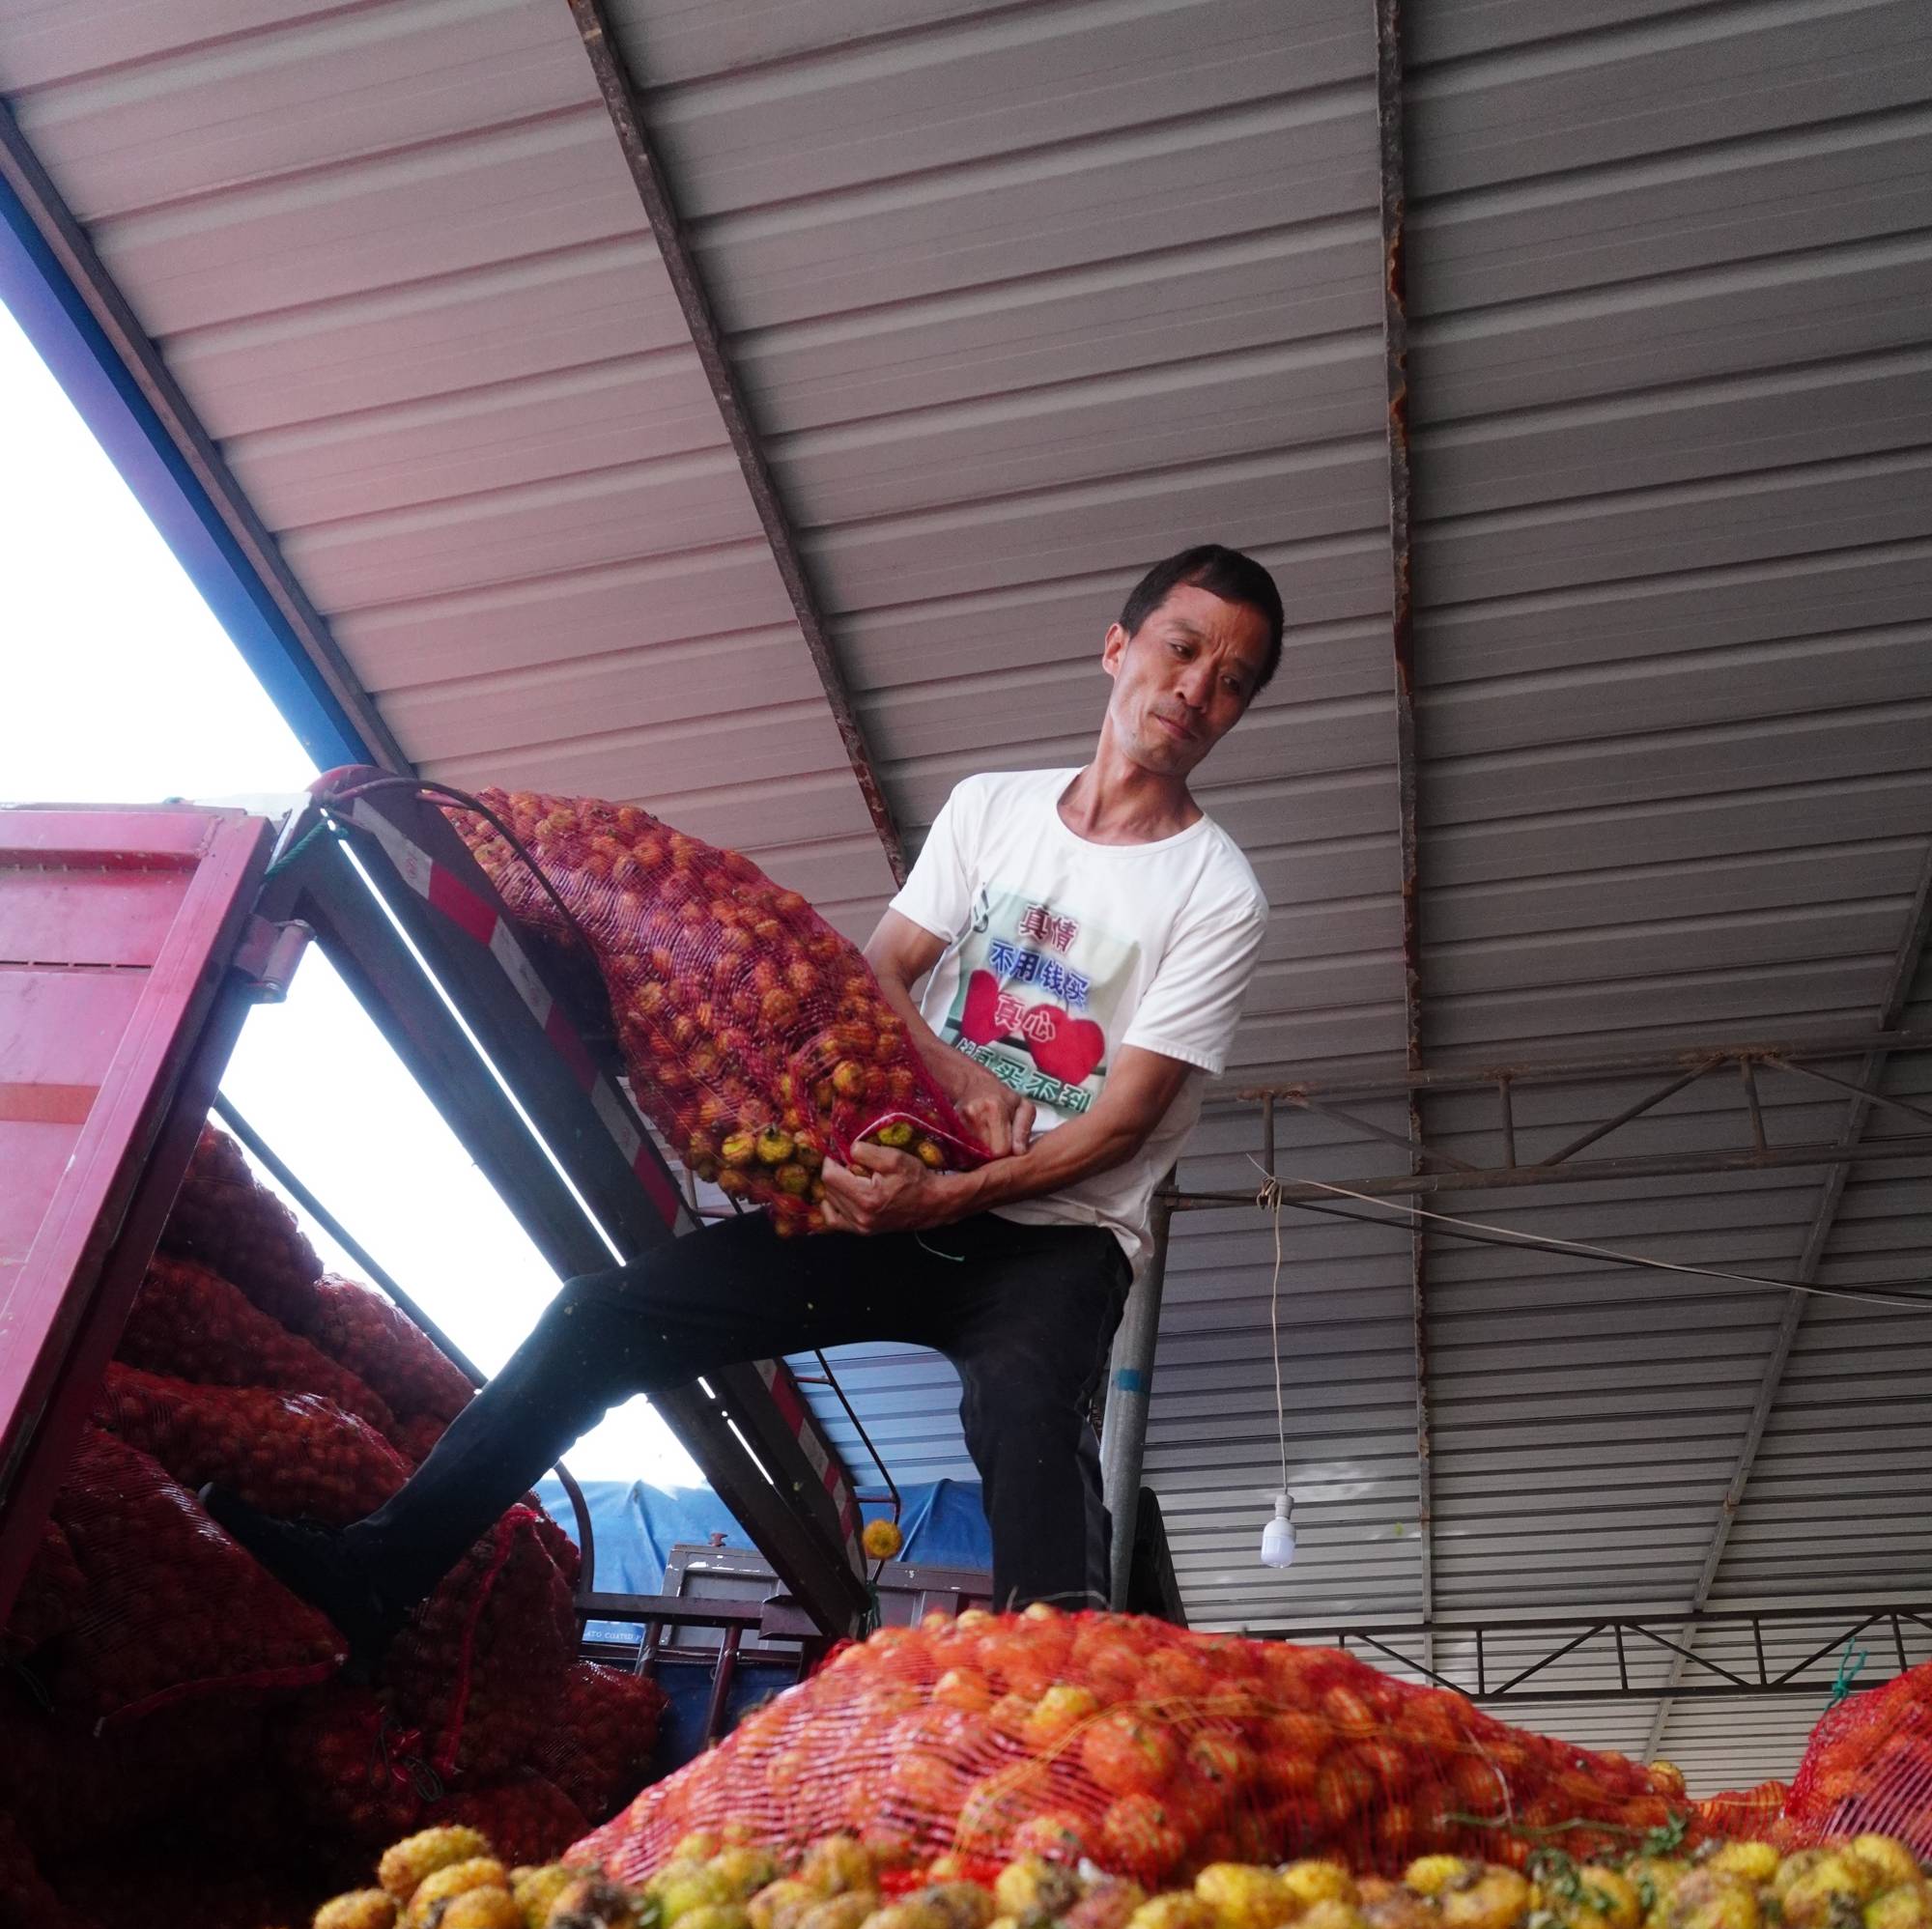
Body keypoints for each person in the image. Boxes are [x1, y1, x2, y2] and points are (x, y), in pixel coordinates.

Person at [215, 544, 1281, 1648]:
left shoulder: (1216, 892)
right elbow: (882, 972)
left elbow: (1122, 1125)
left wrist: (950, 1200)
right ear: (1117, 648)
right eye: (1180, 649)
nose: (1194, 690)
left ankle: (1063, 1692)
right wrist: (953, 1078)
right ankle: (377, 1576)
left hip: (1054, 1239)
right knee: (601, 1318)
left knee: (1025, 1413)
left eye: (1231, 681)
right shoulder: (992, 810)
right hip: (894, 1189)